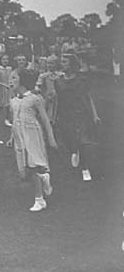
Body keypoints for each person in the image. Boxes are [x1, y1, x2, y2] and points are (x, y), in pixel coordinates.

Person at [10, 69, 57, 212]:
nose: (10, 81)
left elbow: (45, 120)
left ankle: (39, 197)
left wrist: (51, 138)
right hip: (19, 136)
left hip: (32, 135)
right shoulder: (13, 100)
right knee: (26, 171)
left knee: (33, 165)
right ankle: (43, 182)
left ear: (22, 81)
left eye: (14, 78)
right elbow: (15, 120)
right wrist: (11, 137)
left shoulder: (35, 99)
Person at [55, 53, 100, 182]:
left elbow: (88, 97)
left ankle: (85, 168)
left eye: (65, 61)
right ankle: (74, 150)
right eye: (61, 61)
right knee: (68, 138)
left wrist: (95, 115)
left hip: (81, 114)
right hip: (65, 115)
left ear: (72, 64)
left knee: (83, 141)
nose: (62, 63)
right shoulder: (58, 81)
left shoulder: (82, 80)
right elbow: (57, 100)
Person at [35, 55, 63, 124]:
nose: (49, 65)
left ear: (56, 64)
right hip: (47, 98)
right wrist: (38, 89)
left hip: (59, 98)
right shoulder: (43, 76)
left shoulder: (61, 75)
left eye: (52, 63)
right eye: (48, 63)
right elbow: (38, 85)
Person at [0, 54, 12, 126]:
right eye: (3, 59)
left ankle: (7, 119)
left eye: (7, 59)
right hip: (1, 88)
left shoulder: (10, 69)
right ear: (0, 61)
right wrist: (3, 85)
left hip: (9, 88)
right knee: (2, 102)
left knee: (8, 104)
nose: (5, 61)